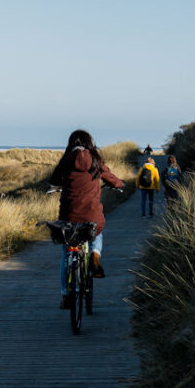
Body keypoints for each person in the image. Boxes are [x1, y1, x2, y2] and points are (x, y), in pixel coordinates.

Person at [48, 130, 125, 309]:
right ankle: (95, 255)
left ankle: (66, 295)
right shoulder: (96, 160)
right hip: (91, 216)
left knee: (66, 253)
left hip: (69, 217)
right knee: (96, 231)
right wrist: (119, 184)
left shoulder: (66, 160)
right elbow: (111, 178)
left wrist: (56, 186)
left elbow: (54, 179)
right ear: (90, 142)